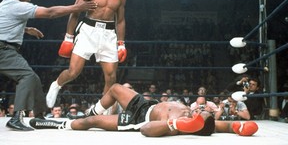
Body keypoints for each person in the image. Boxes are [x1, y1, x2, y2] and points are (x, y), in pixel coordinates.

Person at [0, 0, 97, 131]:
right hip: (4, 49)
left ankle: (39, 117)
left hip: (6, 48)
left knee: (34, 79)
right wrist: (78, 8)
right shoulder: (18, 6)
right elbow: (50, 12)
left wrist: (25, 29)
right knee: (27, 76)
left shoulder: (5, 5)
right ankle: (16, 117)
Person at [30, 83, 258, 137]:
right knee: (116, 88)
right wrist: (239, 126)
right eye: (202, 111)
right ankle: (91, 110)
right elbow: (228, 125)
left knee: (93, 123)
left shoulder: (185, 126)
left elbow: (146, 131)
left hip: (140, 117)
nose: (199, 110)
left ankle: (57, 122)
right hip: (148, 104)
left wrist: (177, 124)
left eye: (202, 113)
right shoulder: (199, 117)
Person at [46, 0, 127, 109]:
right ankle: (56, 85)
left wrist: (121, 43)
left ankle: (102, 110)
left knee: (111, 77)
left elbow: (120, 21)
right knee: (73, 72)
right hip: (88, 31)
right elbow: (75, 13)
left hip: (109, 34)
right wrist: (68, 37)